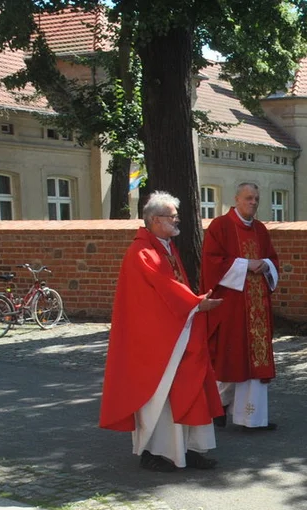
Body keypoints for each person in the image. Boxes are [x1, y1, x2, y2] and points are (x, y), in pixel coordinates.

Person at [100, 191, 224, 472]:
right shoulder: (142, 252)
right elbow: (164, 288)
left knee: (186, 390)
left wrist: (193, 304)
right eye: (172, 216)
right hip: (154, 342)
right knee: (159, 395)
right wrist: (196, 304)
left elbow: (172, 287)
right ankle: (152, 452)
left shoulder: (165, 247)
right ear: (155, 220)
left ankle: (189, 449)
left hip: (176, 333)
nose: (177, 220)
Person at [201, 183, 280, 431]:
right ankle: (219, 406)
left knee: (253, 361)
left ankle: (252, 418)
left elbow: (272, 258)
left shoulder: (260, 229)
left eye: (256, 198)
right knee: (231, 358)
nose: (253, 202)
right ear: (236, 199)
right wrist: (246, 265)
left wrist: (266, 265)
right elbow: (212, 263)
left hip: (257, 307)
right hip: (232, 306)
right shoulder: (220, 226)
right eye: (248, 198)